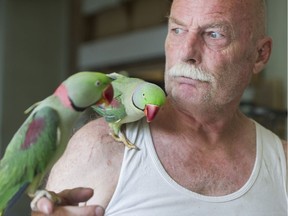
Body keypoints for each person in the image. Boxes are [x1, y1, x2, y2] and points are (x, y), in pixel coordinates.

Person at [32, 0, 287, 215]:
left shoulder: (282, 164)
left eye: (214, 34)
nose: (187, 52)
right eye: (177, 30)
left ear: (260, 54)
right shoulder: (100, 147)